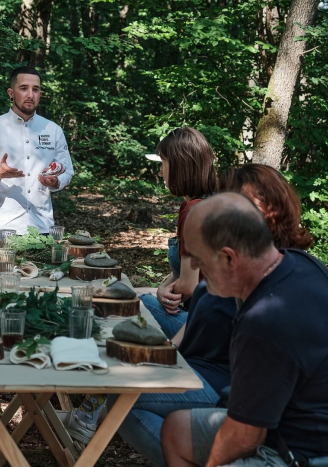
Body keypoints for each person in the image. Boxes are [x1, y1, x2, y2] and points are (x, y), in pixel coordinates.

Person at [160, 192, 328, 467]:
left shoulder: (265, 319)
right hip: (288, 429)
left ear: (228, 258)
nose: (195, 267)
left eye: (198, 258)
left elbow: (243, 437)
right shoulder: (297, 264)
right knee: (178, 431)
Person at [111, 165, 313, 466]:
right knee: (128, 392)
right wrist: (164, 352)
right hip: (212, 381)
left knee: (123, 399)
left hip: (239, 404)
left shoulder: (268, 280)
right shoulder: (251, 266)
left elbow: (253, 407)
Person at [0, 66, 74, 234]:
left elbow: (67, 171)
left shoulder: (53, 130)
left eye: (35, 89)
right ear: (11, 93)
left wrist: (56, 181)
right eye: (23, 88)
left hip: (43, 227)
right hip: (1, 228)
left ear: (40, 94)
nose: (30, 95)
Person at [141, 127, 217, 338]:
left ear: (180, 166)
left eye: (163, 163)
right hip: (204, 316)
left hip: (206, 328)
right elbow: (188, 271)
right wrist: (164, 286)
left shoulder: (194, 211)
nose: (160, 172)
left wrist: (160, 292)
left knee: (137, 303)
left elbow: (189, 286)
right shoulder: (203, 204)